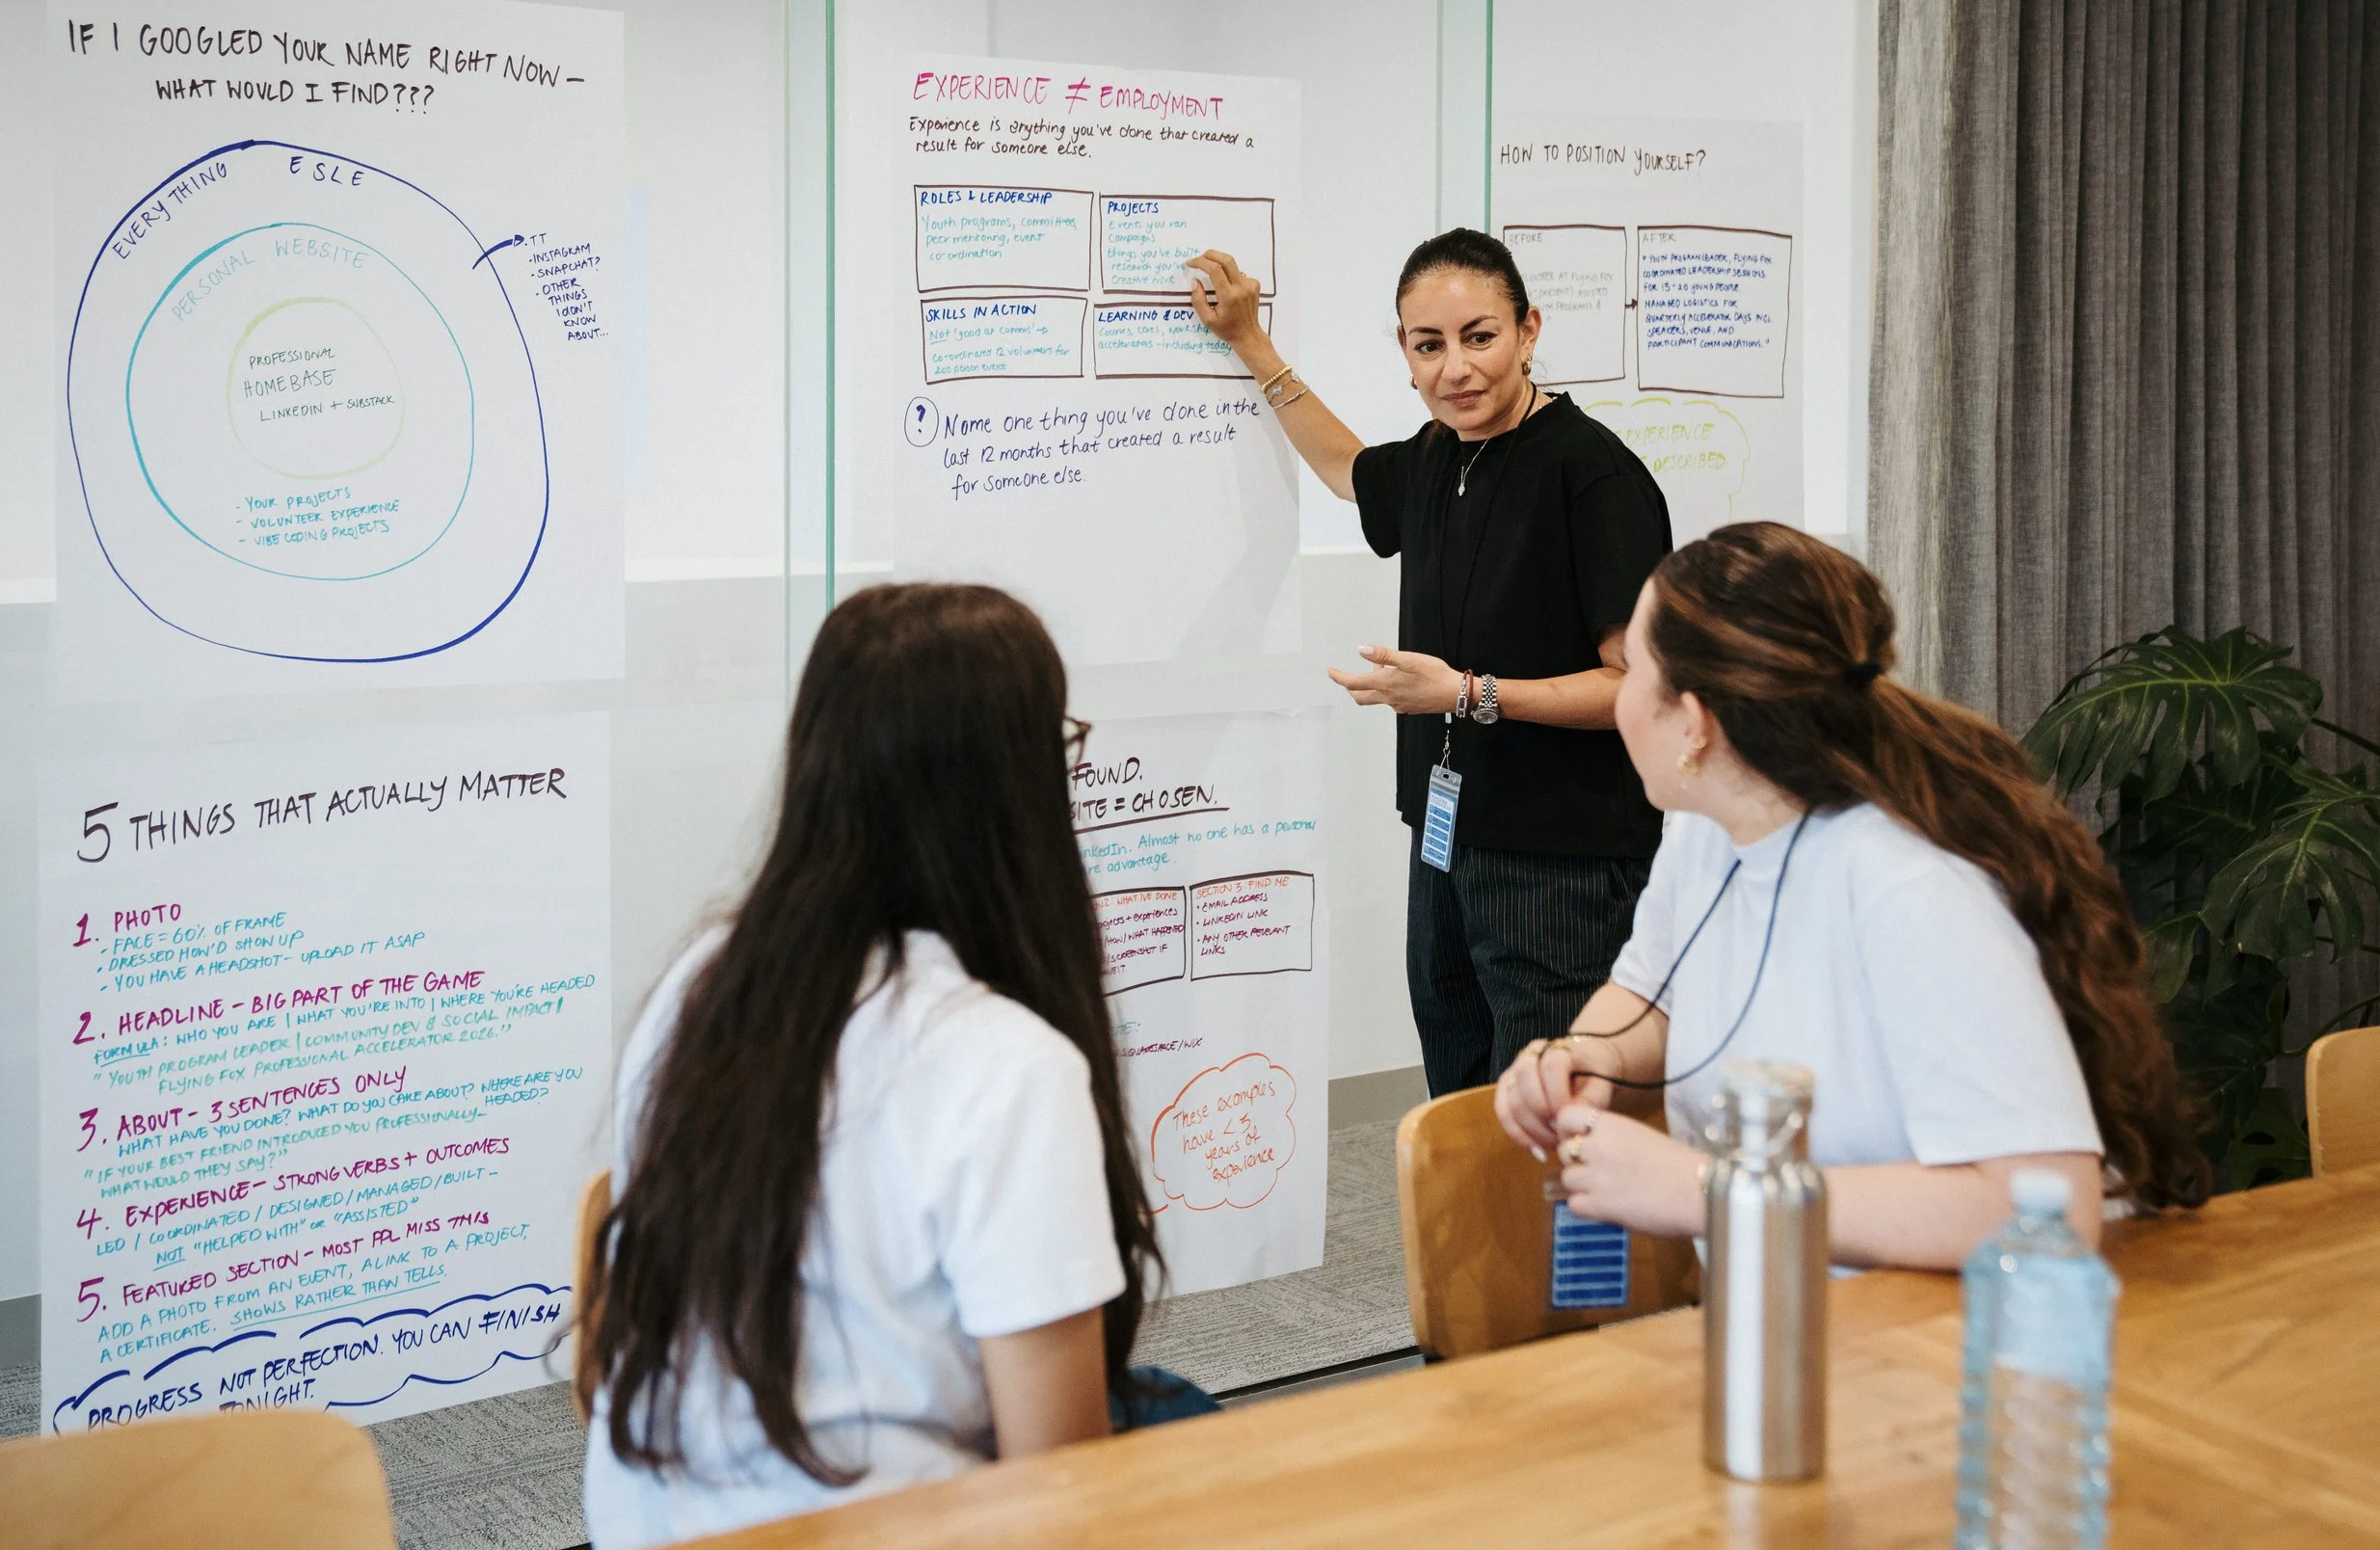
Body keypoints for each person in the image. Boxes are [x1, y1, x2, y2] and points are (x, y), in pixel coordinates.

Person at [578, 582, 1205, 1549]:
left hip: (658, 1522)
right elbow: (1058, 1484)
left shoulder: (701, 981)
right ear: (1013, 788)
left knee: (1171, 1407)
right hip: (891, 1518)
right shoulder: (1004, 1062)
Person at [1493, 522, 2210, 1269]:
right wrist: (1585, 1055)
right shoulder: (1706, 825)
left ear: (1697, 724)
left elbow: (2047, 1207)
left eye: (1632, 669)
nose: (1618, 698)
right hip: (1789, 1328)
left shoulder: (1911, 890)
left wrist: (1710, 1189)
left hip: (1937, 1342)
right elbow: (1652, 994)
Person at [1188, 229, 1672, 1098]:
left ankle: (1546, 1243)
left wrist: (1465, 693)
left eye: (1479, 336)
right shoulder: (1439, 454)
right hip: (1447, 838)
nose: (1457, 368)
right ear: (1406, 355)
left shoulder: (1592, 473)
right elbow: (1345, 468)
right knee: (1460, 1093)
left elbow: (1639, 688)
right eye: (1429, 345)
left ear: (1528, 330)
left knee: (1547, 1112)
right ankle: (1474, 1243)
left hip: (1560, 854)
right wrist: (1250, 341)